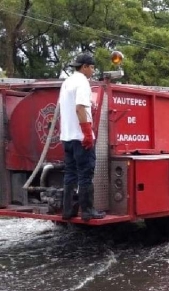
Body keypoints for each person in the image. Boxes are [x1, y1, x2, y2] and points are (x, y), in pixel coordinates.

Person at [59, 53, 105, 221]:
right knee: (86, 173)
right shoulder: (82, 83)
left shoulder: (66, 82)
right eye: (92, 67)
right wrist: (87, 132)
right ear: (84, 66)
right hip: (80, 138)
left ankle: (68, 210)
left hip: (67, 137)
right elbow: (80, 108)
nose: (93, 71)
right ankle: (87, 211)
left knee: (70, 173)